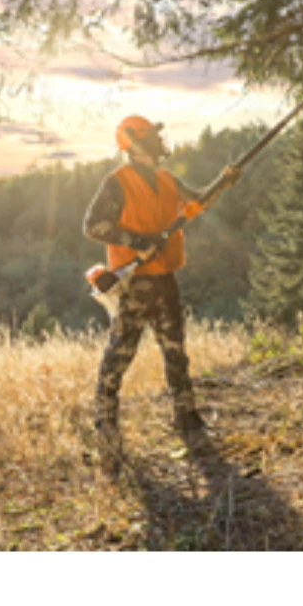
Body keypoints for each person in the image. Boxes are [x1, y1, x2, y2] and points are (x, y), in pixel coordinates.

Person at [83, 115, 235, 477]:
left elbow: (196, 203)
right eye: (150, 134)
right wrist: (137, 243)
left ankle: (188, 420)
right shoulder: (115, 182)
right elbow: (92, 226)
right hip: (133, 283)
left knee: (175, 352)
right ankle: (107, 434)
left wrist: (224, 183)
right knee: (119, 357)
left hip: (164, 277)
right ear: (131, 142)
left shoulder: (167, 179)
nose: (157, 140)